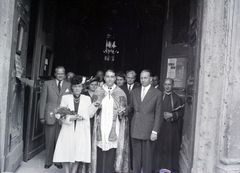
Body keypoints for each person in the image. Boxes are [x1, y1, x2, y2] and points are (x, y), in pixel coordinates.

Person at [53, 75, 97, 173]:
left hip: (81, 128)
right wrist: (70, 118)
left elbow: (89, 114)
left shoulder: (87, 99)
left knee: (78, 151)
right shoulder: (65, 98)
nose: (77, 88)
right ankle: (67, 171)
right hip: (68, 128)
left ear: (82, 87)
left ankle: (74, 171)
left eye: (79, 86)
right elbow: (59, 114)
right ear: (72, 87)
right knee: (66, 150)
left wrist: (95, 106)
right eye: (75, 86)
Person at [91, 69, 130, 173]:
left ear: (115, 79)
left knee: (112, 152)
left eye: (112, 77)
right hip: (100, 124)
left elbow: (124, 113)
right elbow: (91, 111)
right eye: (107, 76)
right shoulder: (98, 91)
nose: (110, 79)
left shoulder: (120, 93)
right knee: (99, 150)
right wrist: (95, 108)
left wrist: (122, 112)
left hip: (115, 125)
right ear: (104, 78)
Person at [128, 69, 162, 173]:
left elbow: (159, 114)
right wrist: (124, 110)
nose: (143, 80)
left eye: (145, 78)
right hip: (136, 127)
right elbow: (131, 107)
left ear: (150, 79)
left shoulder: (157, 93)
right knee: (136, 157)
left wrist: (155, 131)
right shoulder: (135, 91)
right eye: (141, 78)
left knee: (147, 158)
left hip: (148, 129)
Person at [39, 66, 71, 169]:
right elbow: (43, 100)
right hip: (50, 115)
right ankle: (48, 161)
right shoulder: (47, 84)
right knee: (49, 139)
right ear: (55, 74)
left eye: (62, 73)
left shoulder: (69, 85)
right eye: (58, 73)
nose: (60, 75)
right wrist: (41, 116)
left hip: (63, 116)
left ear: (65, 74)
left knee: (60, 140)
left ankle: (58, 161)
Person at [153, 78, 184, 173]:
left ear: (173, 85)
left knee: (171, 146)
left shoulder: (177, 98)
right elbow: (153, 110)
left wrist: (172, 115)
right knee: (158, 146)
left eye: (169, 84)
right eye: (165, 84)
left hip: (172, 126)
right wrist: (161, 115)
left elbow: (182, 112)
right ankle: (157, 167)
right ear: (163, 85)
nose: (167, 86)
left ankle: (170, 168)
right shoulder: (158, 96)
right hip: (160, 126)